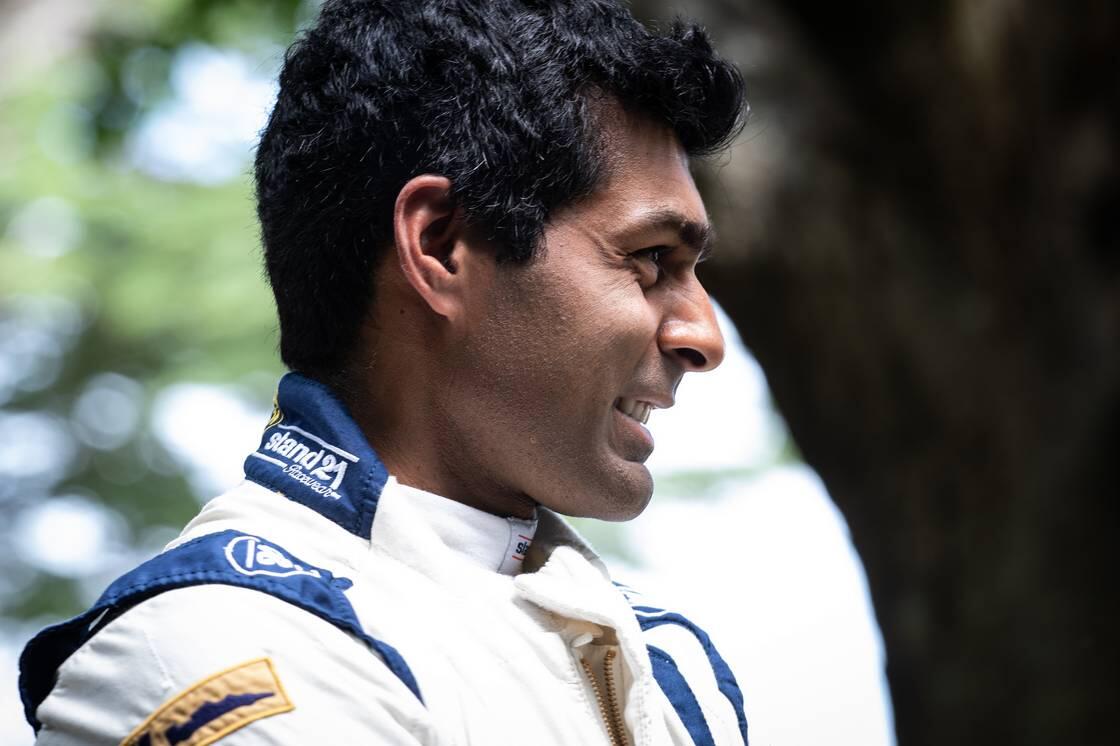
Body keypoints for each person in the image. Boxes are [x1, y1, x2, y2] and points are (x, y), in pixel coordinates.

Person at [19, 0, 749, 743]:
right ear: (439, 247)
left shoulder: (672, 664)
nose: (705, 337)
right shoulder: (220, 650)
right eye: (652, 259)